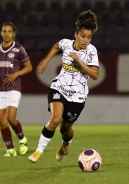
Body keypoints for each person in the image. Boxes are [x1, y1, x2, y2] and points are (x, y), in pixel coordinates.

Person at [28, 10, 99, 163]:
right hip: (59, 87)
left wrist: (79, 61)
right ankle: (38, 151)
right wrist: (46, 61)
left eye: (89, 37)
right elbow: (56, 46)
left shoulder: (92, 52)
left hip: (78, 96)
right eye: (83, 36)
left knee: (65, 130)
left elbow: (95, 74)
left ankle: (66, 145)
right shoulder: (67, 43)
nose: (86, 40)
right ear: (76, 35)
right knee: (55, 119)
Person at [0, 22, 33, 157]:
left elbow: (29, 67)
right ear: (1, 33)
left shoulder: (19, 49)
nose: (7, 33)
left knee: (10, 118)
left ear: (14, 34)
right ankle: (10, 149)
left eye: (10, 31)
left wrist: (16, 74)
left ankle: (22, 139)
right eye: (4, 31)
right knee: (2, 120)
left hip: (14, 87)